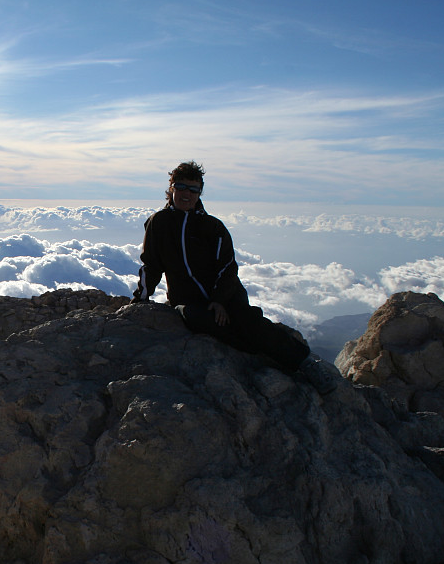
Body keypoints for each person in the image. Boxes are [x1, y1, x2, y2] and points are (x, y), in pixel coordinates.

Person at [131, 160, 338, 394]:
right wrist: (141, 299)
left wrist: (219, 300)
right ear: (171, 188)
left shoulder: (212, 227)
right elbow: (151, 264)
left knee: (246, 319)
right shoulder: (158, 223)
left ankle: (307, 363)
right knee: (198, 318)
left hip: (227, 295)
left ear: (200, 193)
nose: (187, 194)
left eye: (193, 189)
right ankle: (254, 350)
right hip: (189, 301)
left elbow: (227, 267)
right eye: (181, 187)